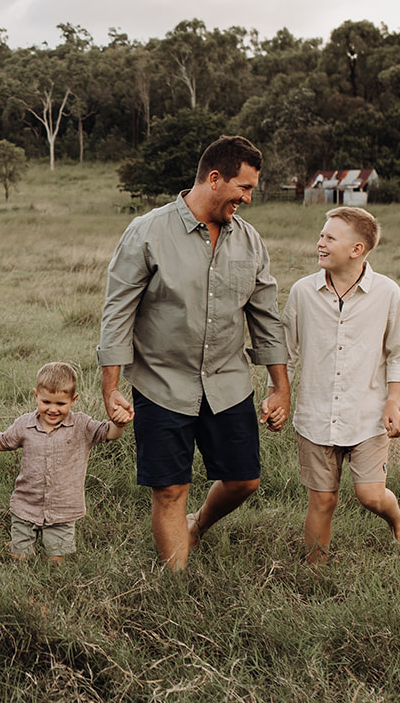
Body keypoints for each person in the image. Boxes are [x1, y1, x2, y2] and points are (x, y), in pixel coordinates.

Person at [97, 135, 290, 570]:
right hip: (162, 383)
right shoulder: (147, 232)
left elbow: (266, 317)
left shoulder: (249, 241)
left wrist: (281, 387)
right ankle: (175, 589)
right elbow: (117, 314)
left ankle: (197, 525)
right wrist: (110, 388)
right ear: (215, 179)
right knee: (169, 489)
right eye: (244, 187)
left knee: (244, 480)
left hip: (227, 381)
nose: (249, 198)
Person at [284, 206, 400, 562]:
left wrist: (394, 402)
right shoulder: (302, 292)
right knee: (323, 500)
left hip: (367, 415)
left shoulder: (387, 293)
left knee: (371, 495)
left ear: (356, 249)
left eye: (330, 237)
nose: (320, 243)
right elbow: (285, 352)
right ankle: (314, 577)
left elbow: (398, 353)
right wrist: (278, 394)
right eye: (321, 235)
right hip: (315, 415)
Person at [0, 361, 131, 563]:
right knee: (19, 557)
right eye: (46, 402)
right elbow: (4, 441)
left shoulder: (81, 425)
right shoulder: (25, 424)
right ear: (36, 396)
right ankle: (21, 578)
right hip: (26, 504)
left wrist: (118, 423)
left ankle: (53, 584)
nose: (53, 409)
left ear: (73, 400)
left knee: (56, 559)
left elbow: (109, 433)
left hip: (63, 508)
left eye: (60, 404)